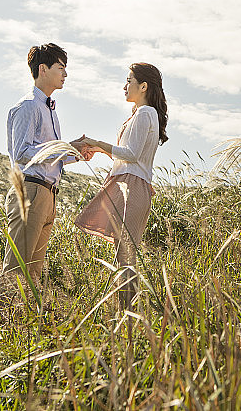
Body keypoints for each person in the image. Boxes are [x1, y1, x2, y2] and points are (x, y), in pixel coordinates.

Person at [75, 62, 168, 309]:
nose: (124, 86)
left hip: (133, 186)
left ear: (144, 86)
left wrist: (97, 142)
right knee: (123, 255)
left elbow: (132, 154)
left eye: (129, 81)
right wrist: (97, 148)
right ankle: (126, 313)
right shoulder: (140, 114)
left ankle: (129, 315)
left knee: (125, 256)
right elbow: (126, 158)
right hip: (128, 182)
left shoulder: (146, 113)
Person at [1, 43, 92, 289]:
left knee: (34, 273)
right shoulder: (28, 106)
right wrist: (63, 147)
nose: (65, 74)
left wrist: (76, 153)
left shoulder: (50, 109)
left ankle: (25, 322)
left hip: (49, 195)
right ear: (43, 69)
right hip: (30, 191)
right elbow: (21, 153)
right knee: (16, 270)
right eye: (60, 67)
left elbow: (49, 156)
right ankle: (3, 319)